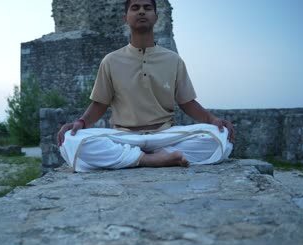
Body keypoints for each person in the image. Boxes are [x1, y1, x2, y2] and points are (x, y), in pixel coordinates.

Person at [57, 0, 235, 172]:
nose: (141, 11)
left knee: (219, 138)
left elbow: (187, 102)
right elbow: (100, 104)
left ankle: (143, 157)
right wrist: (80, 123)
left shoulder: (173, 60)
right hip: (124, 136)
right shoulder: (111, 61)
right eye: (135, 7)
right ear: (125, 17)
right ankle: (152, 159)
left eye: (147, 7)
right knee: (71, 141)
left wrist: (212, 121)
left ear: (156, 17)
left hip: (165, 135)